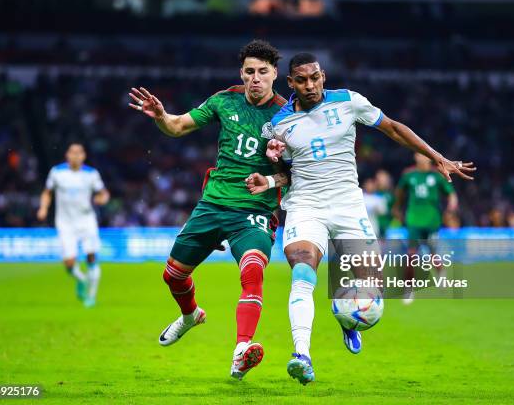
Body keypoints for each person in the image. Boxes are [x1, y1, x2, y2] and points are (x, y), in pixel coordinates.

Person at [246, 52, 475, 385]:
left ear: (323, 75)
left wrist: (437, 157)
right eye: (302, 80)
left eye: (315, 77)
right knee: (303, 269)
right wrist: (271, 170)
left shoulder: (349, 102)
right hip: (305, 205)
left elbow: (394, 129)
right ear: (291, 83)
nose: (310, 85)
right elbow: (285, 177)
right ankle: (302, 355)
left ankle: (348, 320)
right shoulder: (278, 124)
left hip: (348, 206)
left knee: (372, 290)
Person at [128, 40, 287, 380]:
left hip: (254, 209)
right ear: (241, 74)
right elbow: (177, 126)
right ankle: (190, 316)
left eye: (262, 72)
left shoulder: (289, 115)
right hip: (213, 203)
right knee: (173, 275)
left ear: (275, 73)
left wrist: (274, 177)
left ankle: (242, 349)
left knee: (253, 272)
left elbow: (299, 170)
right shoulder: (223, 100)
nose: (255, 79)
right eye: (249, 72)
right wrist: (161, 116)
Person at [37, 143, 109, 308]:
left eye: (79, 153)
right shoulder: (57, 172)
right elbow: (47, 192)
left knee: (91, 256)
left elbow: (103, 193)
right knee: (69, 263)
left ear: (83, 156)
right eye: (72, 152)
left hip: (86, 220)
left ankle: (91, 297)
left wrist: (102, 199)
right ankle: (81, 280)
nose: (76, 156)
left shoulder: (91, 174)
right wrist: (43, 208)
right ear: (67, 155)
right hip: (65, 223)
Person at [394, 152, 459, 304]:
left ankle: (441, 273)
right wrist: (397, 207)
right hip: (413, 222)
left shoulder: (437, 176)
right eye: (418, 155)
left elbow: (451, 195)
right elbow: (399, 193)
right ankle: (408, 290)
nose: (421, 158)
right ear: (415, 157)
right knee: (411, 256)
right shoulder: (409, 176)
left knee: (432, 254)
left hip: (432, 222)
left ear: (429, 158)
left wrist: (451, 208)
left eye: (424, 155)